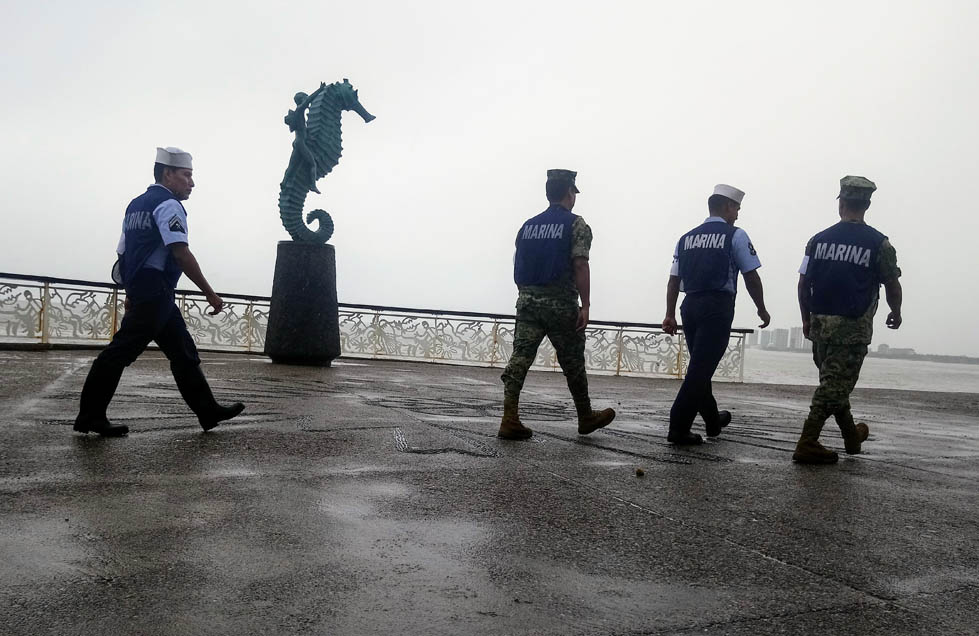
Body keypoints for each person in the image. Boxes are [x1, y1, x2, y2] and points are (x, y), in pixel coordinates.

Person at [73, 147, 245, 437]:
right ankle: (90, 416)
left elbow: (124, 252)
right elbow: (180, 253)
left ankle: (207, 411)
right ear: (168, 174)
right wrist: (210, 293)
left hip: (146, 288)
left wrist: (130, 291)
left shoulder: (136, 204)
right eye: (186, 175)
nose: (192, 183)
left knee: (182, 351)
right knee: (119, 352)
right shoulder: (168, 204)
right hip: (156, 289)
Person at [498, 169, 616, 440]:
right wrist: (585, 305)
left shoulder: (527, 226)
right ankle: (585, 416)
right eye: (574, 192)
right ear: (568, 193)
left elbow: (518, 264)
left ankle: (509, 417)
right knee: (573, 362)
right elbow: (580, 264)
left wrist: (526, 295)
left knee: (520, 358)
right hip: (560, 303)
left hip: (527, 301)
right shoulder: (576, 224)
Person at [793, 175, 902, 464]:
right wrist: (896, 311)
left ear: (841, 203)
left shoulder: (817, 241)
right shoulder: (879, 244)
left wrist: (806, 319)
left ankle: (852, 437)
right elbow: (891, 283)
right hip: (852, 328)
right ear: (866, 205)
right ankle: (807, 441)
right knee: (833, 386)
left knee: (833, 383)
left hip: (820, 326)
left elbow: (803, 284)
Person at [663, 184, 770, 445]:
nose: (738, 215)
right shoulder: (735, 235)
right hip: (717, 307)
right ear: (727, 207)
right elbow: (751, 275)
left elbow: (673, 280)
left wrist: (669, 314)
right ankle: (678, 426)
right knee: (700, 370)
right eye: (737, 209)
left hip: (689, 307)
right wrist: (761, 308)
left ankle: (712, 420)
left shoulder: (686, 238)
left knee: (701, 365)